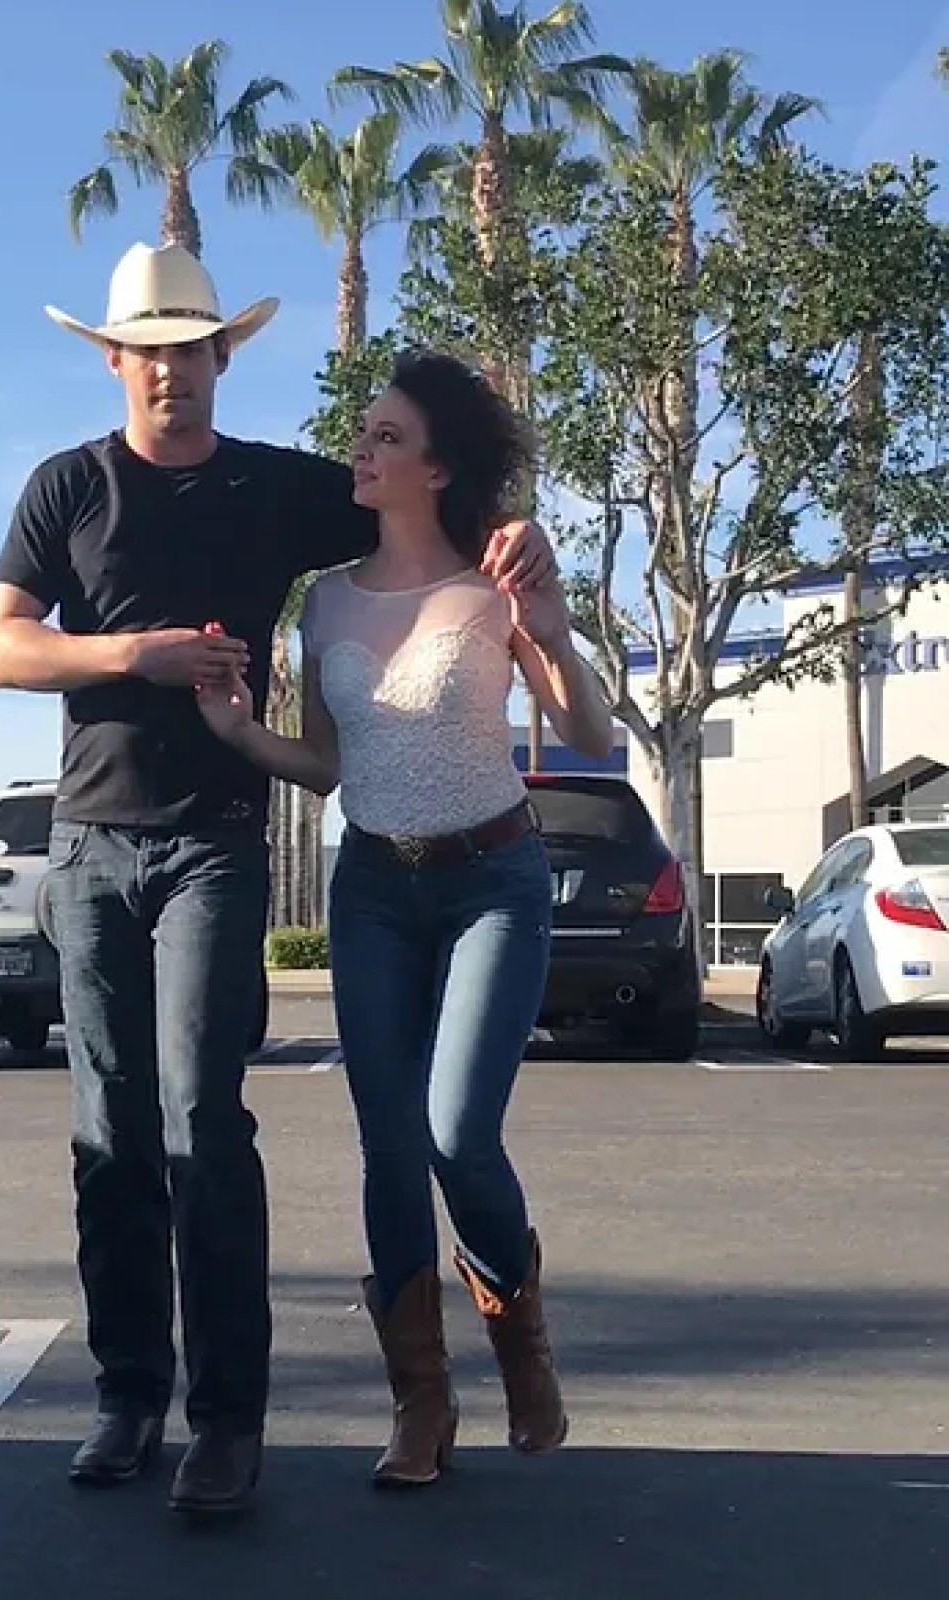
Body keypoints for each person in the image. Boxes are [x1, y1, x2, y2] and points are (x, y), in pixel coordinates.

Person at [0, 244, 559, 1518]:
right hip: (88, 842)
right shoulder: (64, 486)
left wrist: (518, 547)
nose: (173, 369)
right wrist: (140, 651)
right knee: (108, 1133)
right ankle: (129, 1391)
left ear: (220, 358)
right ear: (115, 360)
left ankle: (226, 1420)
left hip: (218, 846)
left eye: (194, 347)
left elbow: (425, 504)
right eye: (151, 348)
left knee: (202, 1124)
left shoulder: (284, 488)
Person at [198, 348, 613, 1489]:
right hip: (373, 885)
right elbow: (329, 767)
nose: (362, 451)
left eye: (385, 436)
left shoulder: (492, 587)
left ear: (437, 467)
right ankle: (420, 1407)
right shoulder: (324, 600)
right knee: (388, 1149)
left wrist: (552, 619)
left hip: (493, 881)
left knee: (455, 1133)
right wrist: (239, 730)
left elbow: (583, 731)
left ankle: (519, 1343)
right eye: (364, 434)